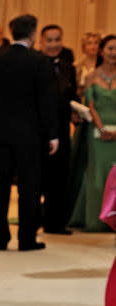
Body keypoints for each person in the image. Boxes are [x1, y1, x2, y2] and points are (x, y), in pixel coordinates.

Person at [0, 13, 58, 251]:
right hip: (29, 135)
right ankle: (27, 239)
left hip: (1, 132)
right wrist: (52, 133)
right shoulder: (38, 60)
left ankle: (0, 238)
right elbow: (46, 101)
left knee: (2, 187)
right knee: (29, 187)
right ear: (34, 33)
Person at [38, 24, 77, 235]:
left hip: (62, 128)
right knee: (39, 179)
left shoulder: (67, 66)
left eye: (57, 40)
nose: (54, 44)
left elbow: (71, 96)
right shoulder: (35, 64)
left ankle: (55, 223)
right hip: (40, 129)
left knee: (60, 178)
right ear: (41, 42)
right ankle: (35, 219)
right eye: (49, 40)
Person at [79, 34, 116, 232]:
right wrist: (102, 129)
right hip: (97, 132)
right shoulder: (91, 77)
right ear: (102, 51)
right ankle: (97, 219)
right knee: (98, 176)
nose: (114, 53)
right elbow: (90, 106)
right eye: (110, 48)